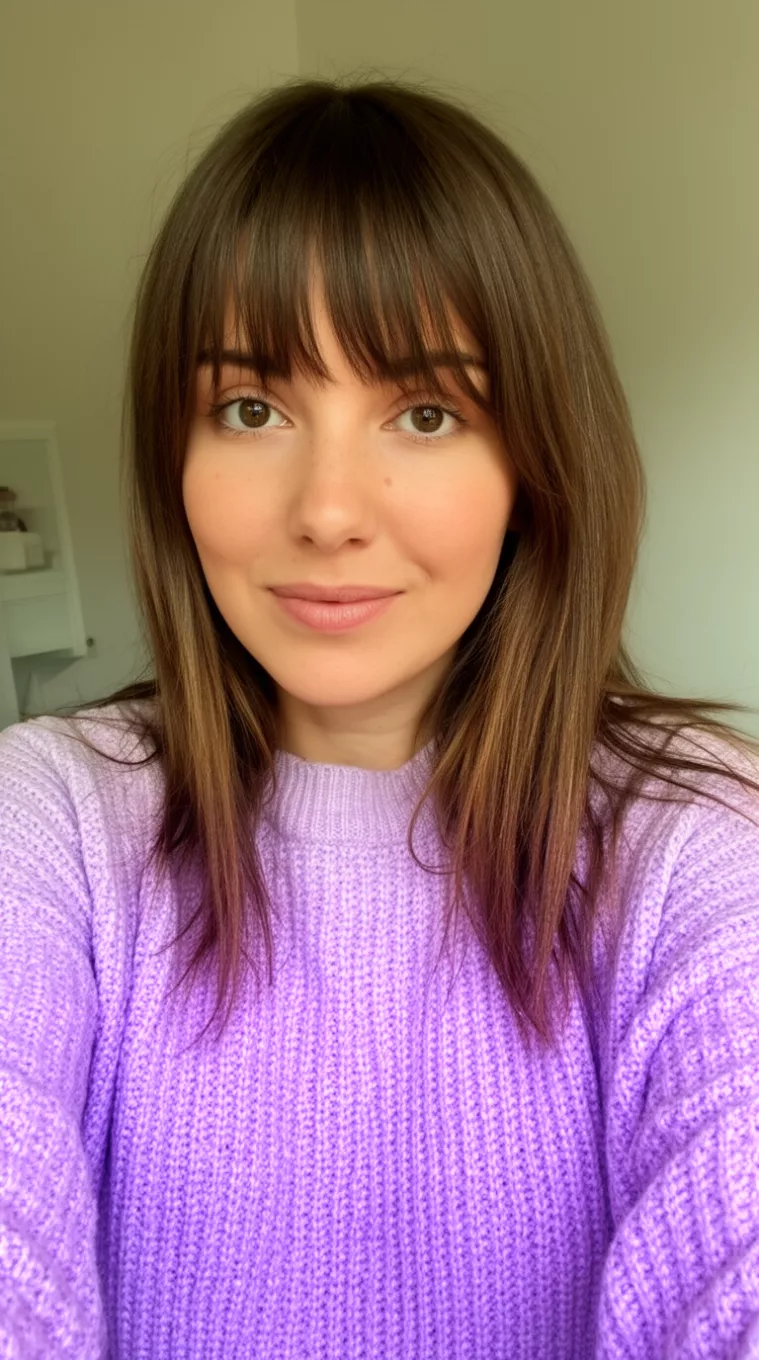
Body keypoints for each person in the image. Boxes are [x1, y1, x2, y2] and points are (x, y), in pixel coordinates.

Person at [1, 77, 758, 1360]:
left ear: (534, 465)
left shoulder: (692, 835)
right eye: (251, 408)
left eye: (426, 411)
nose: (330, 510)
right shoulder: (52, 817)